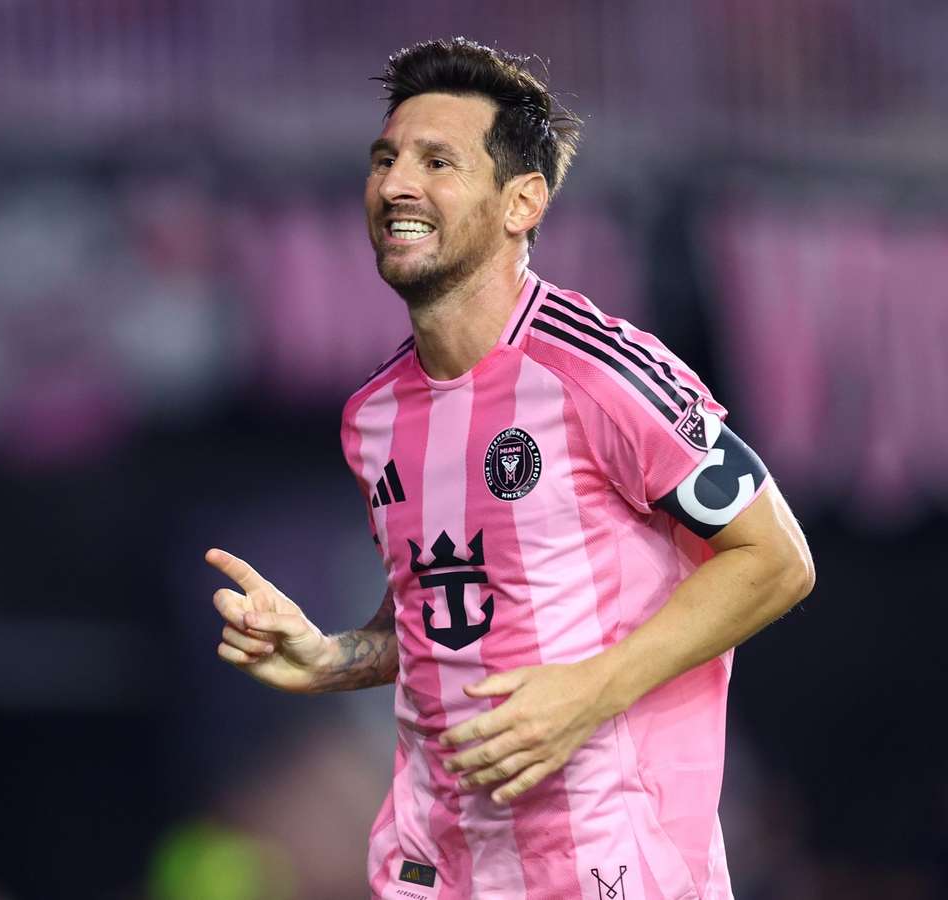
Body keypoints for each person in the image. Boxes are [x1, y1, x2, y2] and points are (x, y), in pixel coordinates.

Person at [206, 37, 815, 900]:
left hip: (607, 864)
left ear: (521, 202)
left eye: (437, 161)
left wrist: (590, 691)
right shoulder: (373, 416)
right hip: (436, 866)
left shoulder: (599, 371)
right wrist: (332, 657)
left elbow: (777, 559)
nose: (396, 183)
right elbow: (446, 614)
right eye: (385, 159)